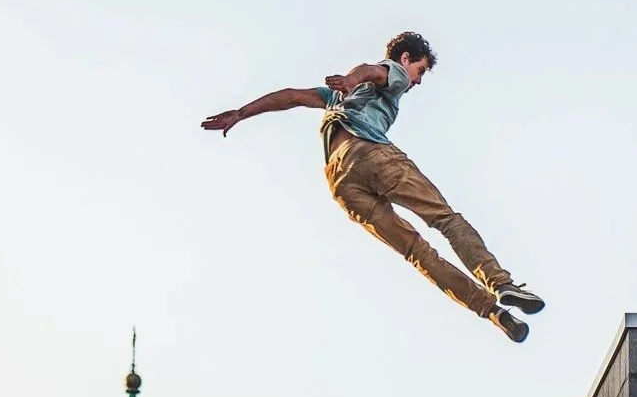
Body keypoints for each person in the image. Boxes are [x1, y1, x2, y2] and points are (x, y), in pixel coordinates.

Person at [201, 32, 545, 341]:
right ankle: (501, 284)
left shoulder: (334, 97)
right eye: (421, 71)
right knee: (445, 219)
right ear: (406, 59)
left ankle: (493, 313)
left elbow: (291, 96)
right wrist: (353, 77)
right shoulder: (393, 73)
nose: (418, 81)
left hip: (341, 180)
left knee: (417, 254)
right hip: (372, 153)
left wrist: (241, 113)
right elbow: (372, 69)